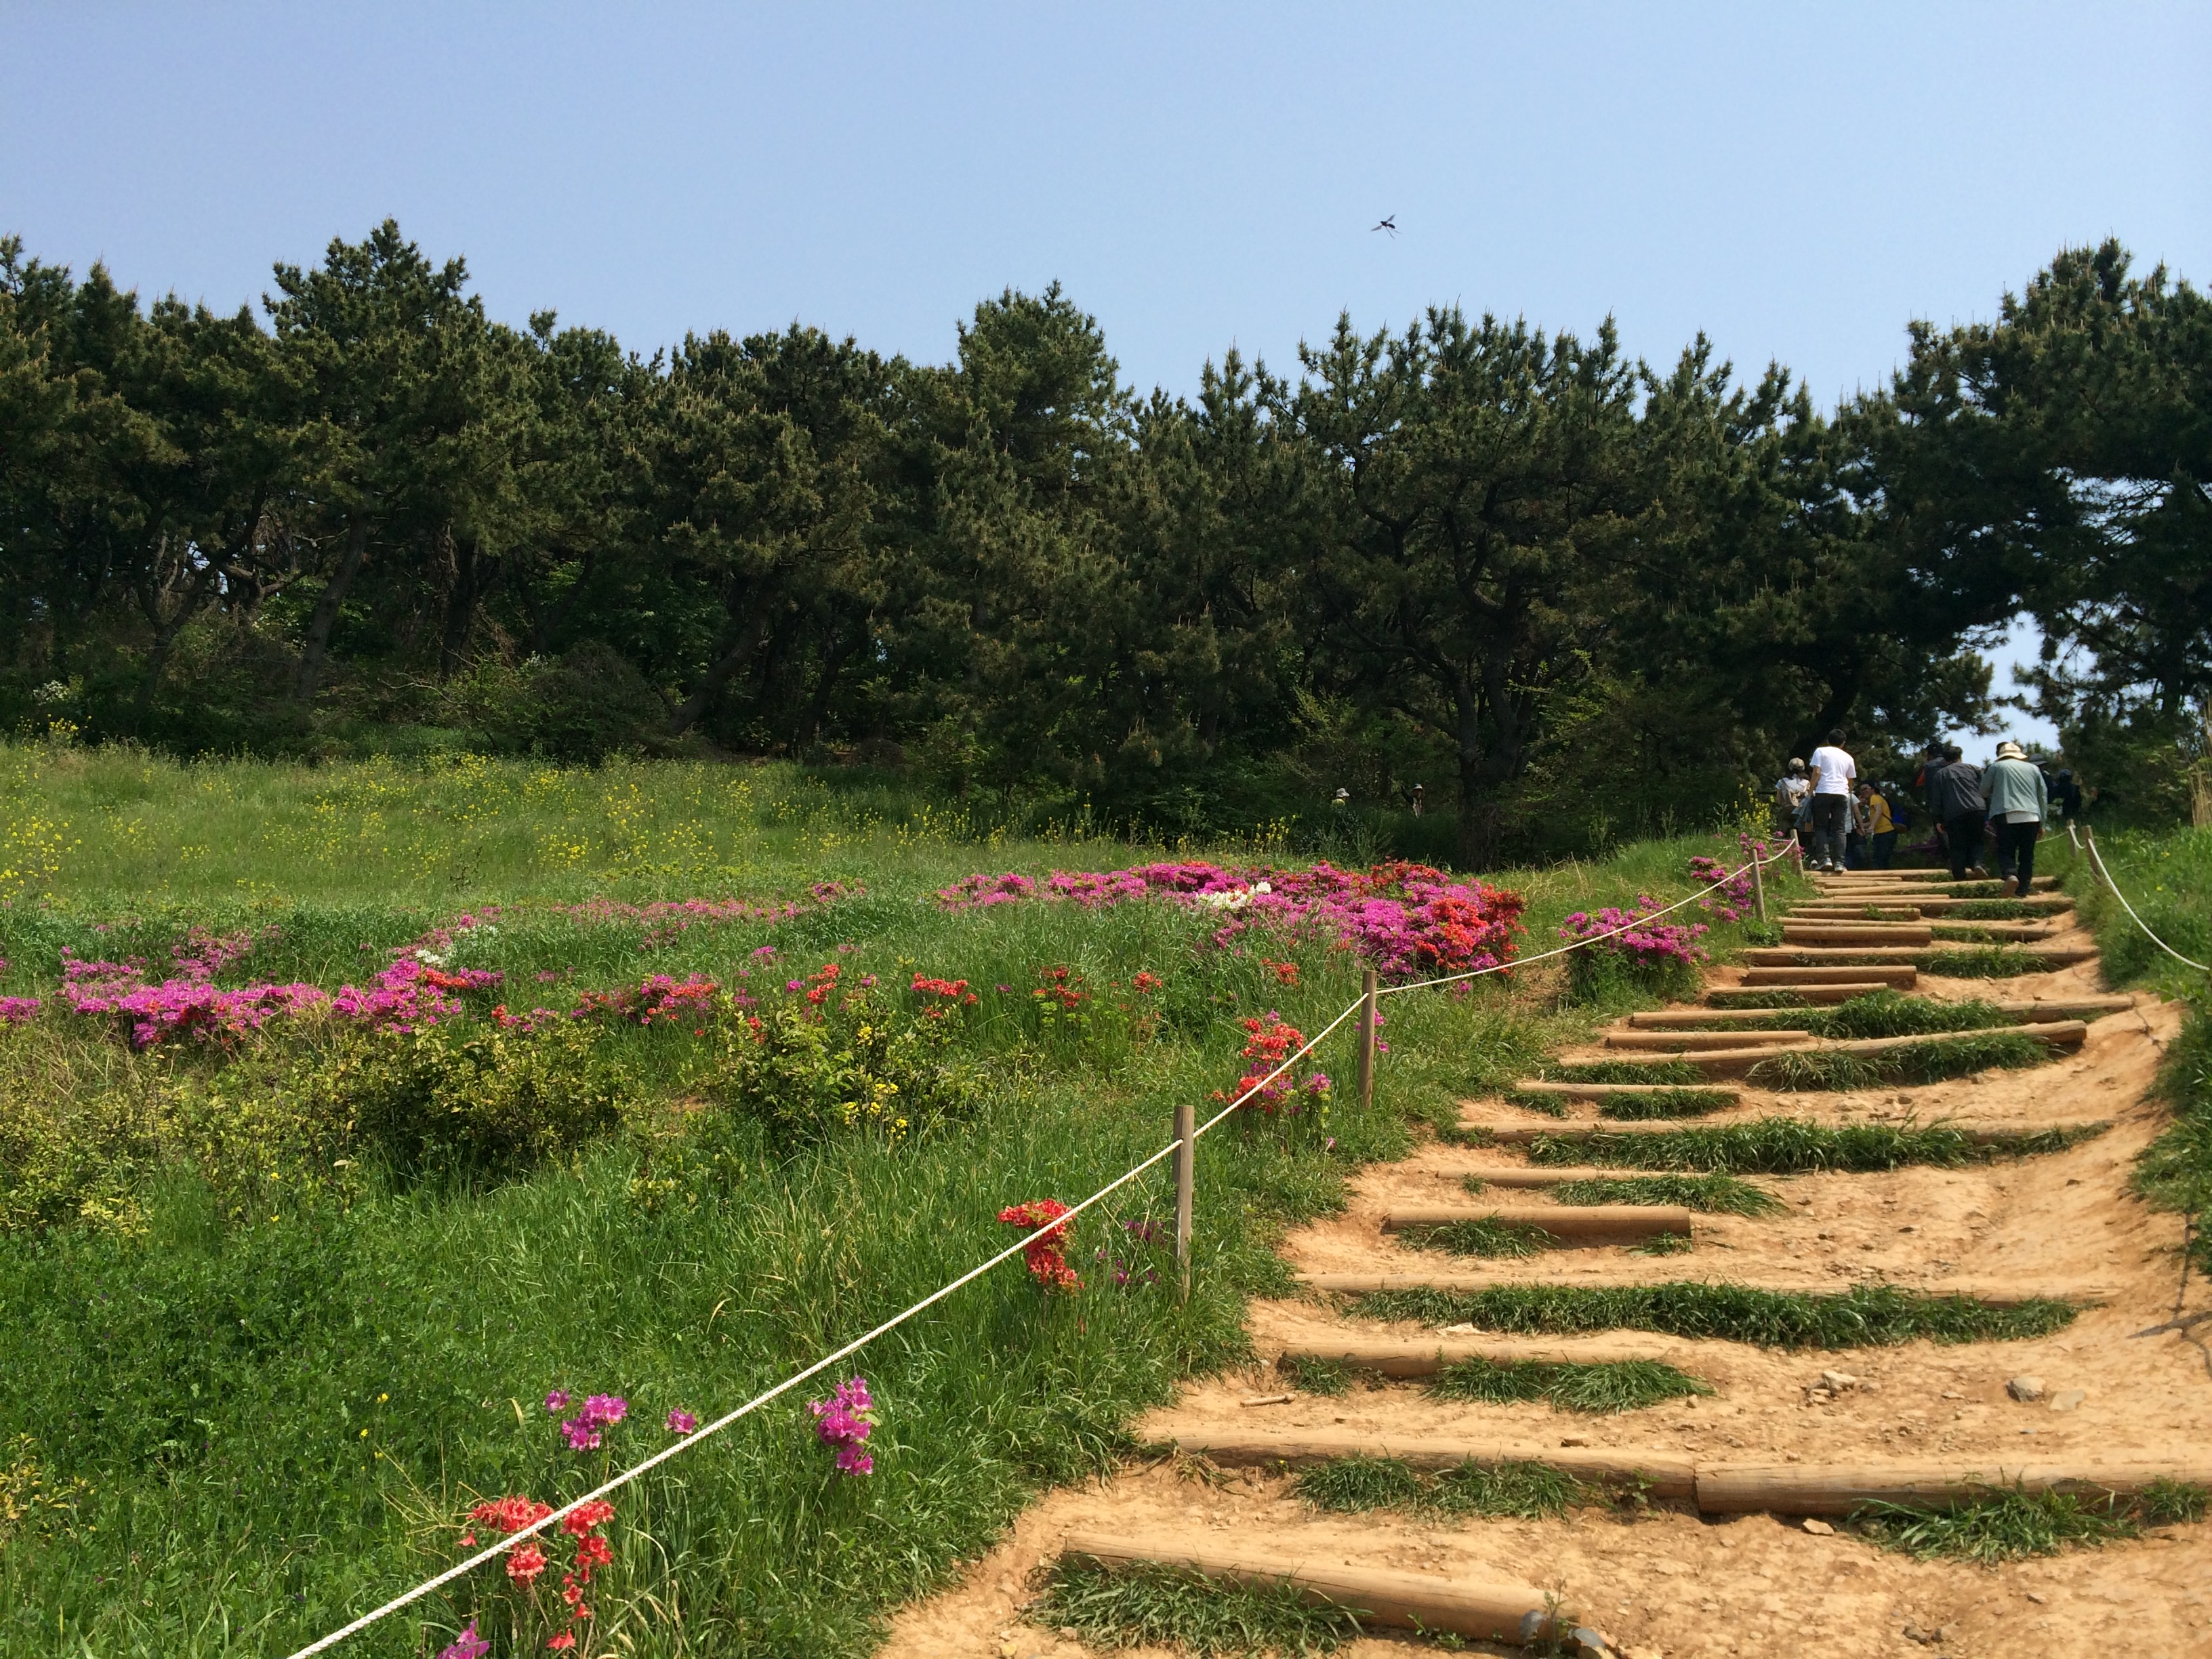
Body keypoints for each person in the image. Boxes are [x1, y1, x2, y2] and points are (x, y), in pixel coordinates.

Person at [1984, 740, 2049, 896]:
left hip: (2005, 814)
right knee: (2027, 855)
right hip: (2032, 815)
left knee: (2006, 849)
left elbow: (1983, 791)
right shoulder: (2033, 769)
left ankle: (2010, 874)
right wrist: (2043, 823)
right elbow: (2043, 795)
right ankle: (2023, 890)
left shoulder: (1996, 767)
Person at [1930, 745, 1988, 880]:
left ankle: (1960, 877)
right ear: (1960, 757)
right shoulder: (1974, 769)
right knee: (1977, 840)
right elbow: (1985, 789)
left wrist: (1938, 819)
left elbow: (1936, 799)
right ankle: (1978, 864)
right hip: (1977, 808)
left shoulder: (1941, 774)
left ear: (1945, 760)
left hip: (1954, 813)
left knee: (1957, 845)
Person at [1805, 729, 1856, 873]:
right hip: (1841, 793)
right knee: (1840, 829)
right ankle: (1840, 862)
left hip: (1824, 791)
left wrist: (1811, 790)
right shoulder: (1848, 757)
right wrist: (1848, 792)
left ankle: (1824, 859)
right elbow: (1850, 779)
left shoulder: (1820, 752)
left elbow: (1817, 772)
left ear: (1828, 740)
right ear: (1843, 743)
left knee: (1821, 827)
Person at [1860, 780, 1898, 868]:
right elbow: (1875, 819)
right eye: (1862, 790)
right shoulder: (1876, 799)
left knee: (1878, 859)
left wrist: (1872, 827)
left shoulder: (1875, 797)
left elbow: (1879, 811)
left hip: (1885, 832)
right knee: (1883, 860)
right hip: (1885, 833)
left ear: (1873, 789)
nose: (1864, 792)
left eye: (1866, 789)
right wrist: (1861, 826)